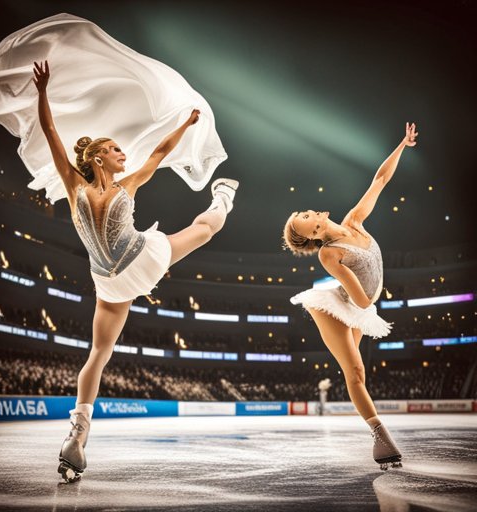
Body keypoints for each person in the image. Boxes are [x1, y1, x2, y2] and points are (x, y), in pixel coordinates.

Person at [32, 61, 238, 483]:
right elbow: (54, 135)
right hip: (136, 262)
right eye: (115, 149)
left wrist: (185, 124)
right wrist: (42, 93)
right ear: (97, 156)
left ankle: (78, 433)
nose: (123, 153)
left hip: (108, 279)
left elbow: (159, 152)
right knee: (203, 230)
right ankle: (223, 198)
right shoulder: (105, 185)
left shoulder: (82, 188)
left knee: (98, 355)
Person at [283, 122, 418, 470]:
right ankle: (380, 436)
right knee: (354, 371)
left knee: (360, 373)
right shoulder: (329, 253)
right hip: (337, 307)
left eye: (302, 212)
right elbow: (360, 301)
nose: (307, 210)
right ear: (315, 228)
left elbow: (380, 180)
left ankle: (372, 422)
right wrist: (368, 300)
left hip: (359, 305)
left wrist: (402, 144)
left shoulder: (355, 221)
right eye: (304, 217)